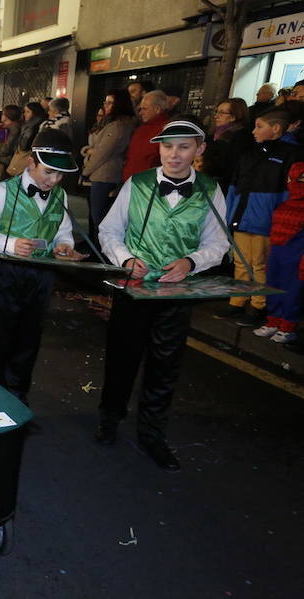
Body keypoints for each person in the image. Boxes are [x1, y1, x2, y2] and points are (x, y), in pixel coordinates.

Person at [96, 118, 230, 471]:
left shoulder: (210, 190)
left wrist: (190, 261)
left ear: (199, 150)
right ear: (159, 149)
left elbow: (218, 243)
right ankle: (109, 420)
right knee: (121, 359)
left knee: (165, 367)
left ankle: (152, 434)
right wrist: (125, 258)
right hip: (134, 290)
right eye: (168, 146)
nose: (174, 154)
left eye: (184, 146)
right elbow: (109, 230)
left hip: (176, 294)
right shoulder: (136, 183)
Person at [0, 128, 85, 405]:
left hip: (41, 277)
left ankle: (17, 401)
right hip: (3, 275)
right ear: (31, 163)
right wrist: (10, 244)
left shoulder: (60, 196)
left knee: (28, 341)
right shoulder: (1, 191)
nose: (54, 180)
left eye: (60, 175)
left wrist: (64, 245)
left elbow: (63, 231)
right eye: (48, 172)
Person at [219, 108, 304, 326]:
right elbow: (235, 186)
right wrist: (229, 215)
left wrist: (279, 220)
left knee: (258, 265)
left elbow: (290, 193)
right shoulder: (251, 154)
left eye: (259, 126)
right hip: (244, 215)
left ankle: (258, 305)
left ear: (275, 128)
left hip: (266, 220)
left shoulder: (291, 155)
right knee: (241, 261)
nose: (254, 131)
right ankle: (237, 300)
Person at [253, 162, 304, 344]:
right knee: (273, 286)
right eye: (291, 178)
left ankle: (288, 326)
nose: (293, 182)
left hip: (295, 257)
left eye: (298, 179)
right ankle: (274, 320)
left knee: (293, 291)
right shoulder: (285, 203)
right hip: (277, 253)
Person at [82, 89, 136, 236]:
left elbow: (102, 152)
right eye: (105, 102)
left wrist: (85, 171)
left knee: (99, 216)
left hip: (104, 175)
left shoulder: (118, 126)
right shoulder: (117, 124)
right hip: (106, 173)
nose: (106, 105)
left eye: (110, 103)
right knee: (98, 216)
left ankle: (101, 250)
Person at [201, 98, 254, 192]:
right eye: (216, 112)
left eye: (222, 113)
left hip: (224, 187)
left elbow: (231, 167)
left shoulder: (241, 138)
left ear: (234, 116)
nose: (216, 116)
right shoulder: (213, 135)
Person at [122, 90, 171, 181]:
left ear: (157, 109)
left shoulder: (167, 130)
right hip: (131, 183)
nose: (141, 113)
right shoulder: (141, 129)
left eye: (145, 109)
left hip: (149, 186)